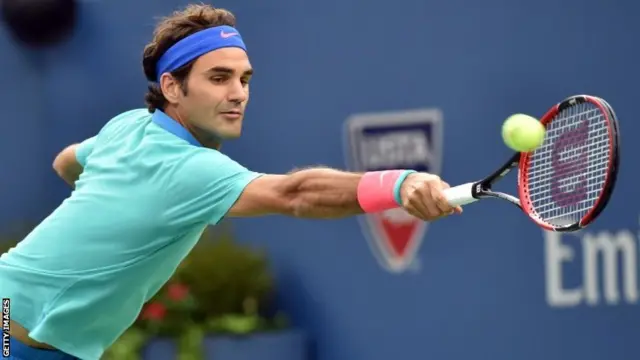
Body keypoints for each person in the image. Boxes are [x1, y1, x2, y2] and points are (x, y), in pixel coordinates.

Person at [0, 4, 461, 360]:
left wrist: (104, 199)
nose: (238, 93)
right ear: (173, 87)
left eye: (244, 78)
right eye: (219, 78)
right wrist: (400, 184)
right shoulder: (194, 170)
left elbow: (66, 163)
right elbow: (295, 194)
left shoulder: (127, 127)